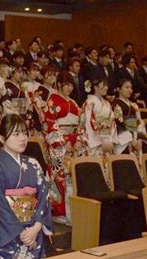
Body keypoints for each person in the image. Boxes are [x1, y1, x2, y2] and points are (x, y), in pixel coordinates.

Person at [0, 114, 52, 259]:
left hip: (34, 231)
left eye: (24, 133)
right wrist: (21, 232)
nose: (23, 138)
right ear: (2, 138)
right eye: (16, 134)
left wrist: (37, 226)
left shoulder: (33, 163)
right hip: (10, 233)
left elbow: (44, 195)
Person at [43, 71, 85, 224]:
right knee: (60, 178)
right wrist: (64, 142)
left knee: (72, 177)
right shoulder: (52, 102)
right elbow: (50, 126)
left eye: (71, 85)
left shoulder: (73, 103)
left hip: (73, 144)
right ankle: (60, 211)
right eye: (66, 85)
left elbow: (80, 123)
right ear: (59, 84)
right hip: (59, 146)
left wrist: (78, 139)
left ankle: (72, 211)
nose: (69, 88)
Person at [81, 76, 117, 157]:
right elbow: (89, 123)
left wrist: (110, 139)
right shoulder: (89, 102)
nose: (106, 88)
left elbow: (112, 122)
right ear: (95, 87)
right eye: (103, 85)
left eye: (106, 85)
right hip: (96, 141)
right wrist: (101, 140)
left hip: (108, 140)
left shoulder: (107, 103)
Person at [113, 78, 145, 155]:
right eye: (127, 87)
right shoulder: (115, 105)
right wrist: (131, 139)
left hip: (136, 139)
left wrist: (140, 138)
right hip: (123, 141)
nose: (130, 90)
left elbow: (140, 122)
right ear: (119, 89)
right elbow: (119, 123)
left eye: (131, 88)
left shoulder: (134, 105)